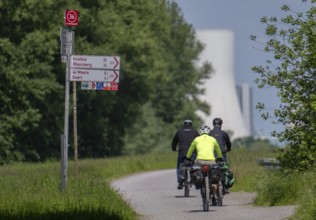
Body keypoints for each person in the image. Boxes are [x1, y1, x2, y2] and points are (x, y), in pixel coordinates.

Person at [186, 125, 223, 205]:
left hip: (200, 161)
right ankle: (213, 194)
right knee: (213, 177)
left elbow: (190, 149)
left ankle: (200, 184)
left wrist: (188, 157)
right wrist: (219, 157)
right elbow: (218, 150)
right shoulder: (213, 139)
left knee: (197, 171)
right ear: (209, 132)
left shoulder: (196, 139)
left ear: (200, 132)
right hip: (211, 161)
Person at [171, 119, 200, 190]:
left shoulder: (179, 131)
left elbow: (174, 141)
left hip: (182, 152)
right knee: (194, 166)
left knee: (179, 166)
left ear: (184, 124)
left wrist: (174, 149)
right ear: (191, 124)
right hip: (193, 153)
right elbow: (199, 141)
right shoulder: (195, 131)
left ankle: (180, 181)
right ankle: (196, 181)